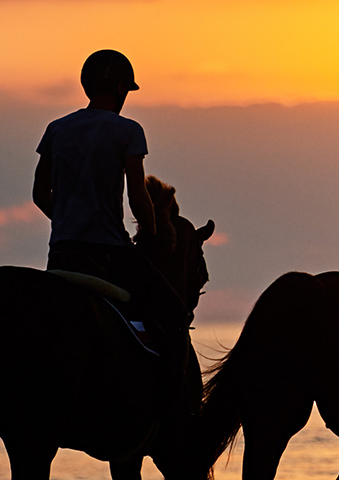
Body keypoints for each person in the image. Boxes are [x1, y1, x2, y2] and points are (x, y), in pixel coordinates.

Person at [33, 49, 195, 415]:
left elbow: (40, 194)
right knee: (174, 316)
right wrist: (151, 237)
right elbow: (138, 195)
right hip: (108, 253)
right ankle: (173, 413)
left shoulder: (56, 129)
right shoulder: (128, 130)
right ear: (121, 88)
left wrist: (65, 222)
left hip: (61, 253)